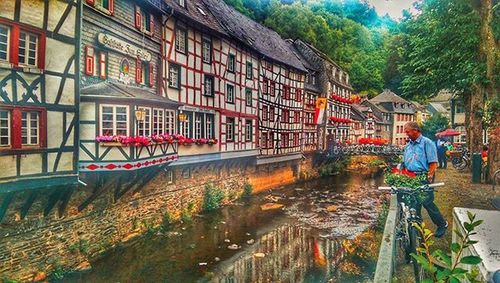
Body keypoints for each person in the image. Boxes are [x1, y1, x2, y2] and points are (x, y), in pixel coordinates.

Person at [403, 122, 448, 238]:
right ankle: (418, 230)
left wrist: (429, 177)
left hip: (424, 175)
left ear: (415, 130)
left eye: (407, 131)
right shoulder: (408, 145)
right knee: (414, 202)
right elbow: (405, 162)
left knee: (427, 202)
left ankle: (442, 224)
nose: (406, 133)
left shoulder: (427, 143)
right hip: (410, 176)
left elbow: (433, 162)